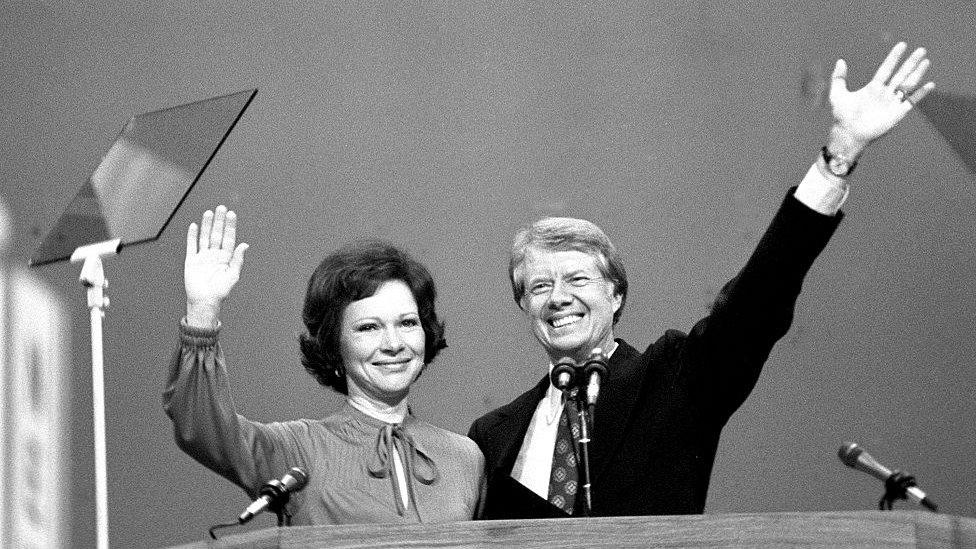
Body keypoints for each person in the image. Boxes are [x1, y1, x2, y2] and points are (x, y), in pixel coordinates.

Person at [468, 42, 935, 519]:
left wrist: (840, 153)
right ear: (524, 306)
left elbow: (755, 304)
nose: (559, 298)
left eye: (577, 279)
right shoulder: (493, 437)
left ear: (616, 293)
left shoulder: (673, 382)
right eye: (539, 287)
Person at [163, 207, 484, 525]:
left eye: (408, 323)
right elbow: (203, 426)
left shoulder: (467, 458)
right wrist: (203, 310)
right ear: (334, 346)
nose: (393, 343)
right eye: (369, 327)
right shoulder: (296, 451)